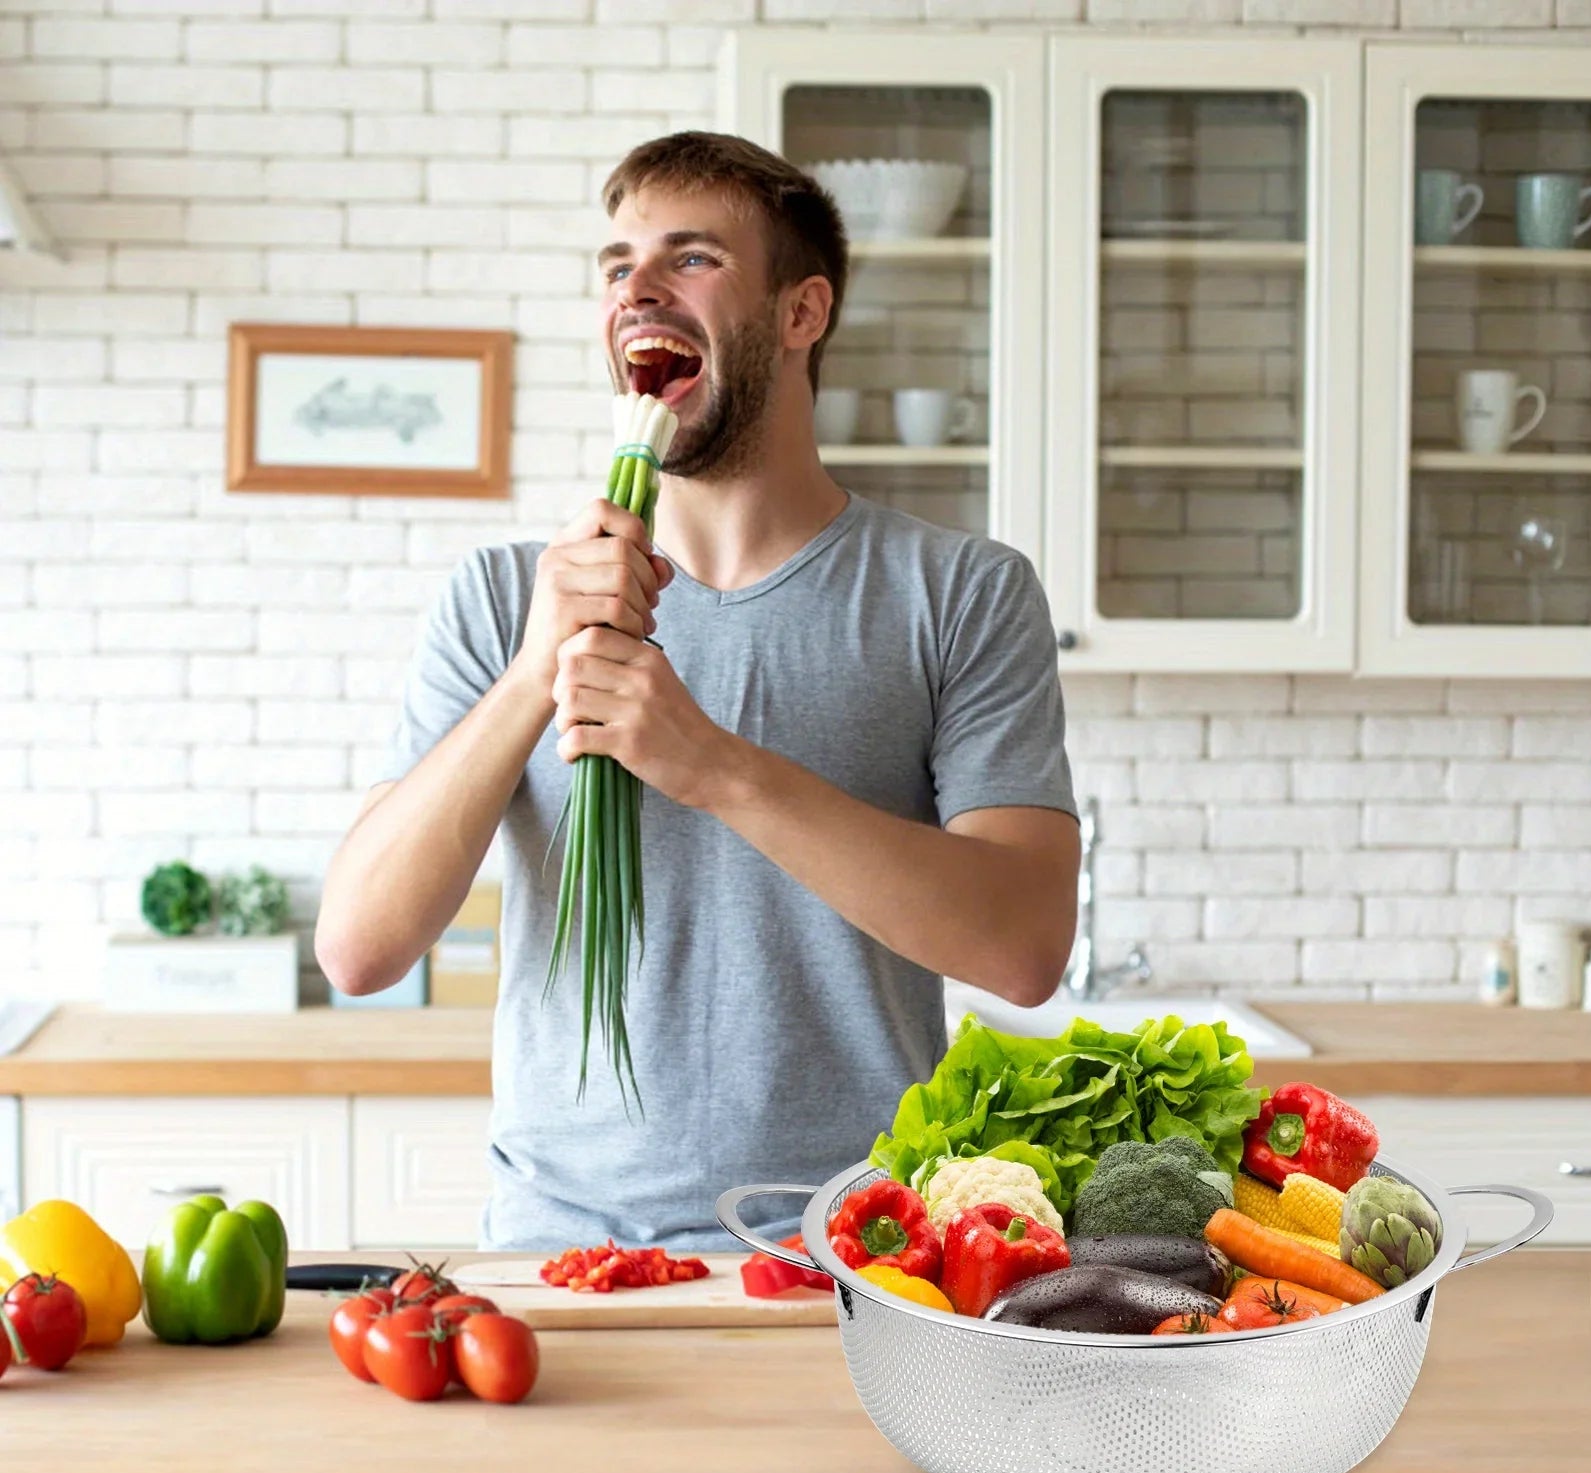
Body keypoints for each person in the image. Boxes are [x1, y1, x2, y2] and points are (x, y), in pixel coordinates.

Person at [315, 132, 1080, 1253]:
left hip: (860, 1251)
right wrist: (539, 667)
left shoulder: (959, 593)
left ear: (800, 313)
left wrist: (713, 766)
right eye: (617, 264)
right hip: (559, 1249)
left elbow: (1022, 947)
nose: (637, 290)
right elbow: (359, 949)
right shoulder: (498, 600)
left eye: (690, 259)